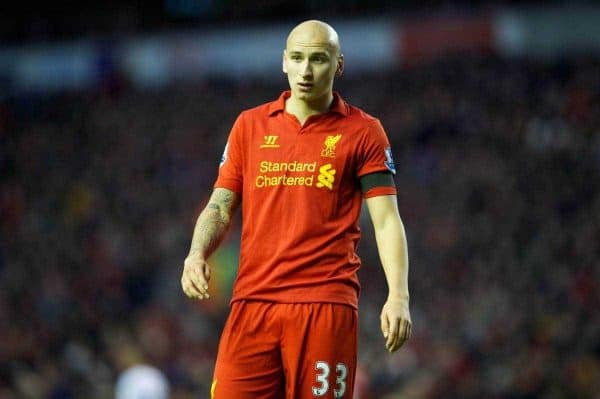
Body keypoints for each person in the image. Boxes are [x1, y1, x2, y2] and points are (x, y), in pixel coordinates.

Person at [181, 19, 411, 398]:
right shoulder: (249, 126)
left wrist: (398, 295)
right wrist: (195, 253)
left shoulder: (364, 132)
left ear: (338, 64)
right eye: (298, 58)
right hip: (253, 302)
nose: (306, 71)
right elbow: (220, 205)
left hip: (325, 305)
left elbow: (386, 221)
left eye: (318, 59)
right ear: (284, 62)